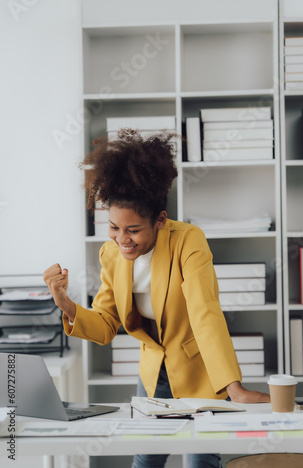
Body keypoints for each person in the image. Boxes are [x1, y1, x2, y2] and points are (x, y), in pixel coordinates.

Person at [44, 129, 270, 468]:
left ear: (160, 221)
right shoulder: (110, 254)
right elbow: (106, 325)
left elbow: (204, 312)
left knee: (201, 459)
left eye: (133, 230)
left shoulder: (188, 241)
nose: (122, 239)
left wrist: (232, 387)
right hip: (153, 367)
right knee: (146, 456)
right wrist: (65, 303)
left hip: (199, 365)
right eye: (114, 228)